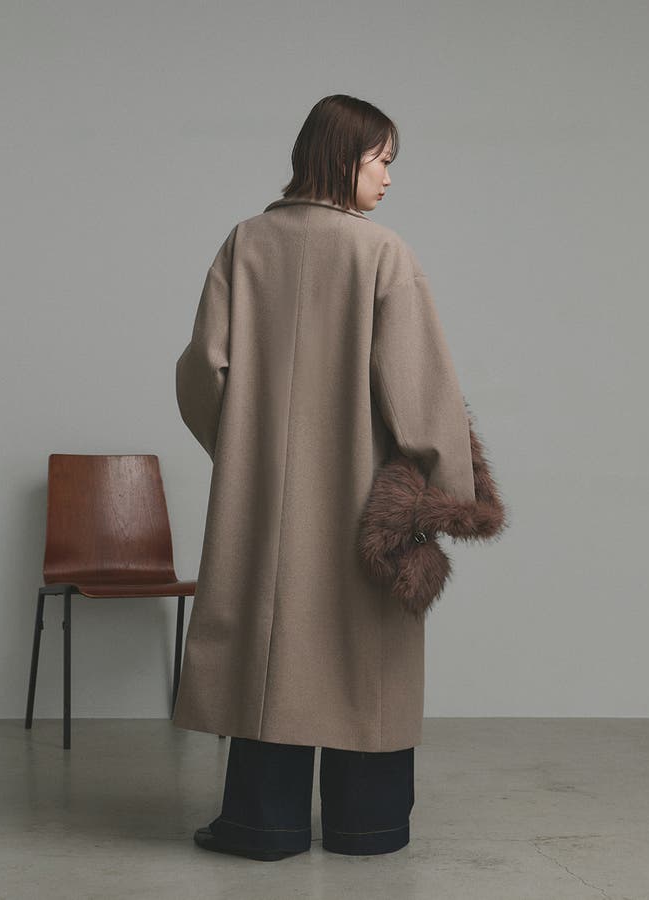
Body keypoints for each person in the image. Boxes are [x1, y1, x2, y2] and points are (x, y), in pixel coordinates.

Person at [173, 94, 502, 860]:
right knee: (365, 653)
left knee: (269, 647)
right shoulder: (382, 254)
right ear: (342, 156)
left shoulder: (246, 243)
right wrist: (451, 491)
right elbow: (423, 392)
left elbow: (202, 371)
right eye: (381, 160)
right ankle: (368, 825)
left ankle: (262, 824)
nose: (388, 177)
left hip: (263, 503)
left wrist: (246, 452)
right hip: (362, 500)